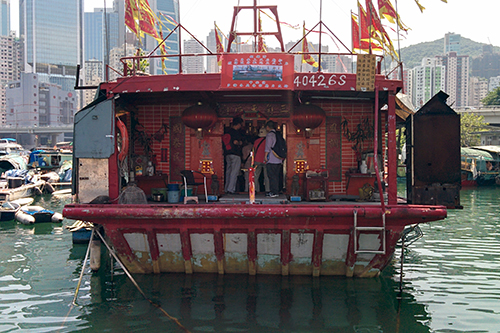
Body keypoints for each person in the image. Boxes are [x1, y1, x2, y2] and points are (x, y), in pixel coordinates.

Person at [223, 116, 244, 194]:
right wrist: (240, 143)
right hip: (235, 154)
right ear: (238, 124)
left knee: (228, 171)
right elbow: (235, 142)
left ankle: (226, 188)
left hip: (227, 154)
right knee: (234, 172)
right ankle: (231, 189)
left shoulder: (228, 131)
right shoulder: (236, 133)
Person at [264, 120, 283, 198]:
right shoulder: (278, 134)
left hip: (271, 159)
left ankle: (274, 192)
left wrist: (265, 156)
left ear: (267, 127)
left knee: (271, 176)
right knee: (276, 176)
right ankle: (276, 191)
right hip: (278, 159)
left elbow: (268, 147)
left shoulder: (270, 135)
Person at [253, 127, 269, 193]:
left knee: (256, 176)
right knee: (267, 176)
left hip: (257, 159)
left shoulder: (256, 141)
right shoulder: (268, 141)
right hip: (266, 160)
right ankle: (268, 190)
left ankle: (255, 190)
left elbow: (254, 150)